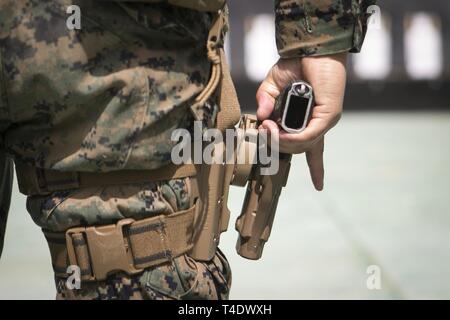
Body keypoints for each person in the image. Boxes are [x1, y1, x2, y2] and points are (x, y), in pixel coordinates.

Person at [0, 0, 376, 300]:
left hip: (110, 44)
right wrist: (317, 35)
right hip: (127, 41)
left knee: (133, 257)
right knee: (143, 265)